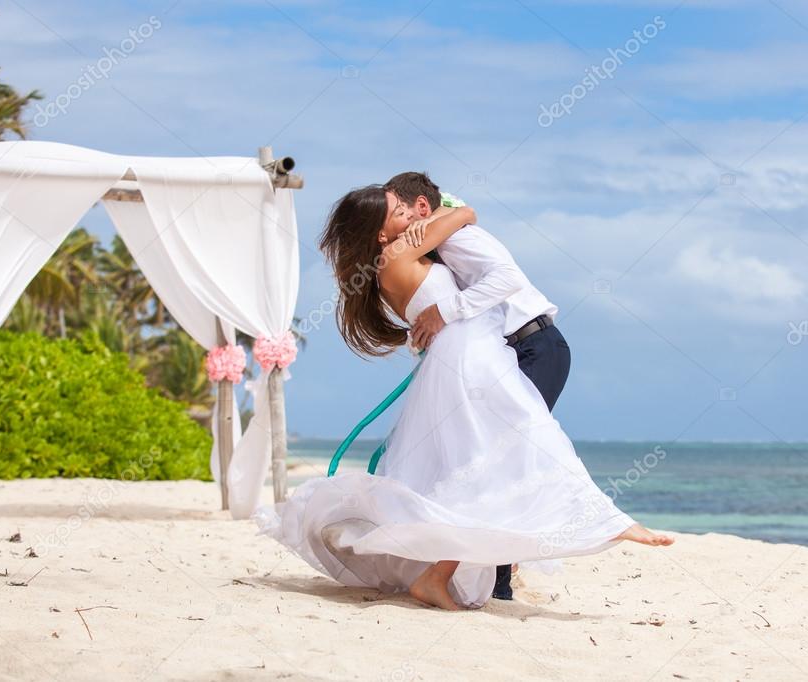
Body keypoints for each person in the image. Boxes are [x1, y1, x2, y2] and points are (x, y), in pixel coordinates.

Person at [252, 185, 673, 612]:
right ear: (381, 234)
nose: (410, 219)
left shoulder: (391, 263)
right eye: (398, 212)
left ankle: (443, 573)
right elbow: (462, 214)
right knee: (521, 440)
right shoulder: (398, 254)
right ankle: (608, 523)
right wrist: (451, 212)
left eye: (406, 208)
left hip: (465, 357)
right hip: (469, 360)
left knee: (484, 461)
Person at [384, 171, 567, 600]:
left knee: (503, 457)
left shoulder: (454, 238)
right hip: (519, 348)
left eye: (395, 214)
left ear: (421, 210)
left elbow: (507, 279)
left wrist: (445, 312)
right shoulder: (439, 243)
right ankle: (495, 578)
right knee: (496, 456)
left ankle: (495, 579)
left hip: (535, 345)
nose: (389, 229)